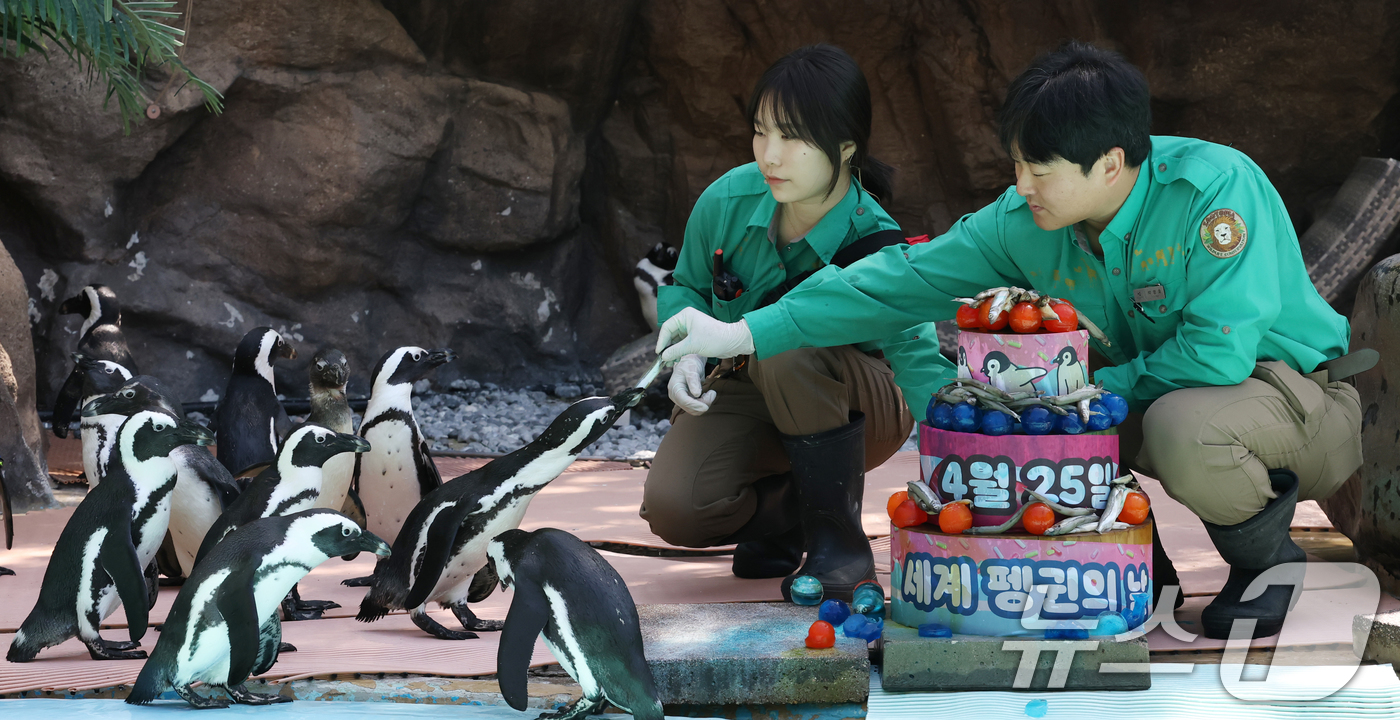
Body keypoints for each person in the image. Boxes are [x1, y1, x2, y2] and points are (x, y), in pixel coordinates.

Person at [657, 41, 1366, 640]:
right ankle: (1133, 566)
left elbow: (1216, 357)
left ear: (1110, 164)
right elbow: (893, 282)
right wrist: (745, 329)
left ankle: (1267, 560)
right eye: (1017, 165)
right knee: (1020, 431)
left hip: (1291, 398)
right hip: (1163, 393)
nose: (1020, 185)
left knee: (1170, 424)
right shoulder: (1022, 219)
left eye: (1039, 169)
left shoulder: (1213, 194)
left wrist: (1061, 400)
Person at [640, 44, 951, 603]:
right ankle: (791, 517)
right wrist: (686, 351)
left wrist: (969, 463)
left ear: (847, 146)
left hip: (860, 404)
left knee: (789, 340)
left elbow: (917, 359)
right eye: (761, 131)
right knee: (676, 508)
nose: (770, 155)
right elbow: (685, 284)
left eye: (792, 137)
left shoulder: (876, 240)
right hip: (749, 385)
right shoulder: (727, 200)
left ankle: (840, 544)